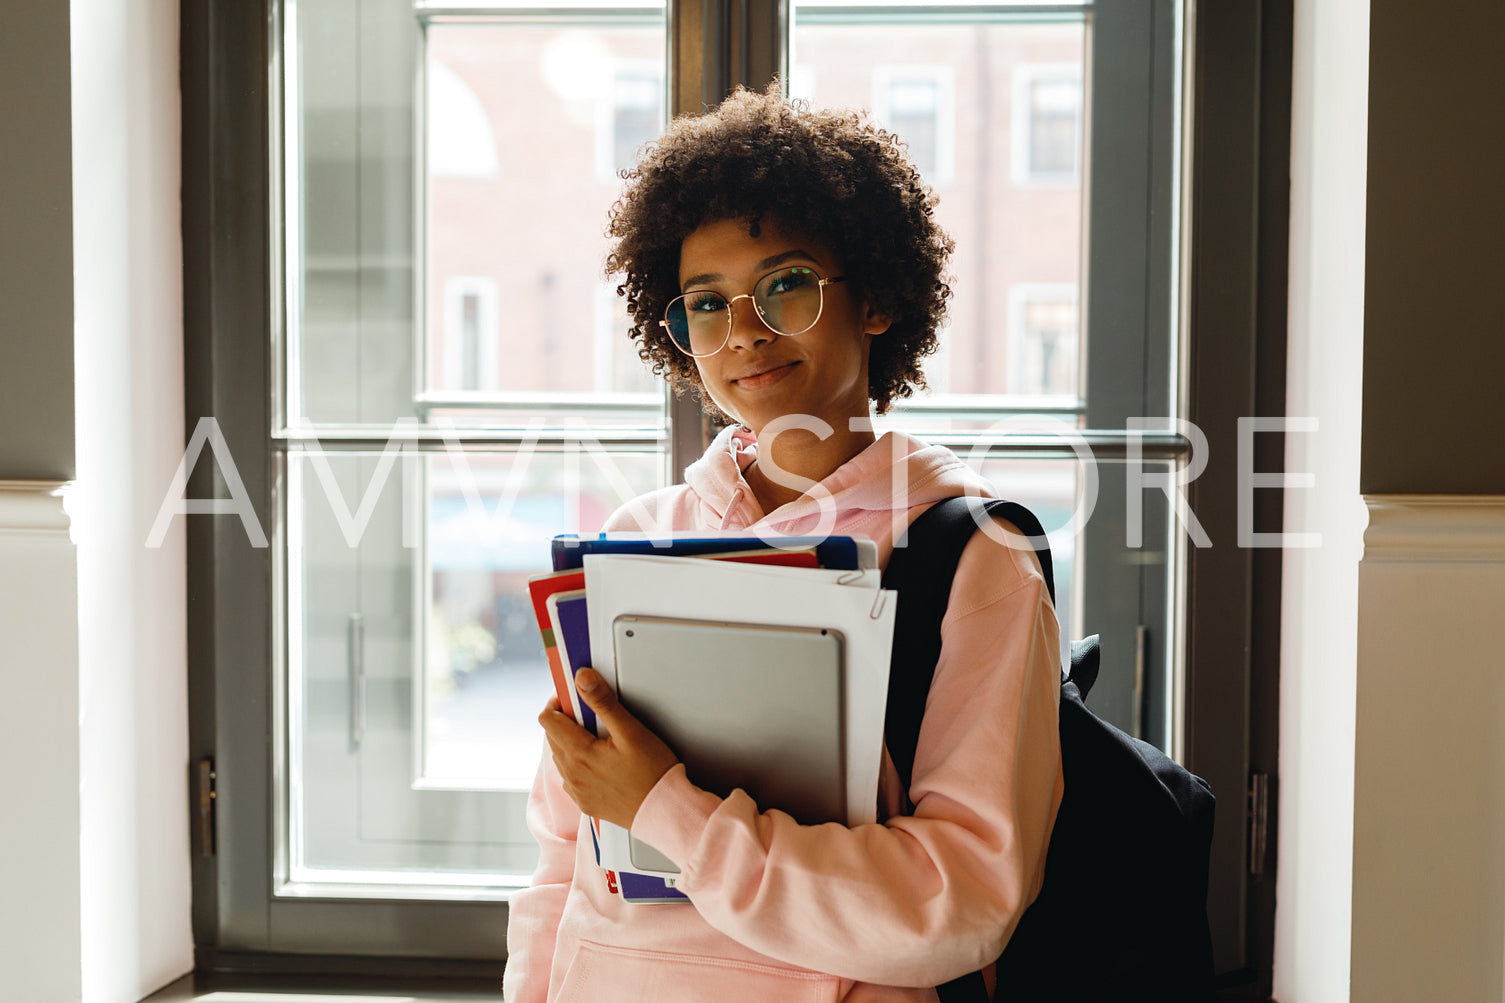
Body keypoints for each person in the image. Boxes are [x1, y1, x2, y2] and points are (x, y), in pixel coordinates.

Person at [503, 85, 1064, 1003]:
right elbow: (563, 856)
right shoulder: (633, 539)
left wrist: (666, 811)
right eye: (706, 303)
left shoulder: (973, 557)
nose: (745, 333)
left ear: (877, 297)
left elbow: (962, 900)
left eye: (786, 285)